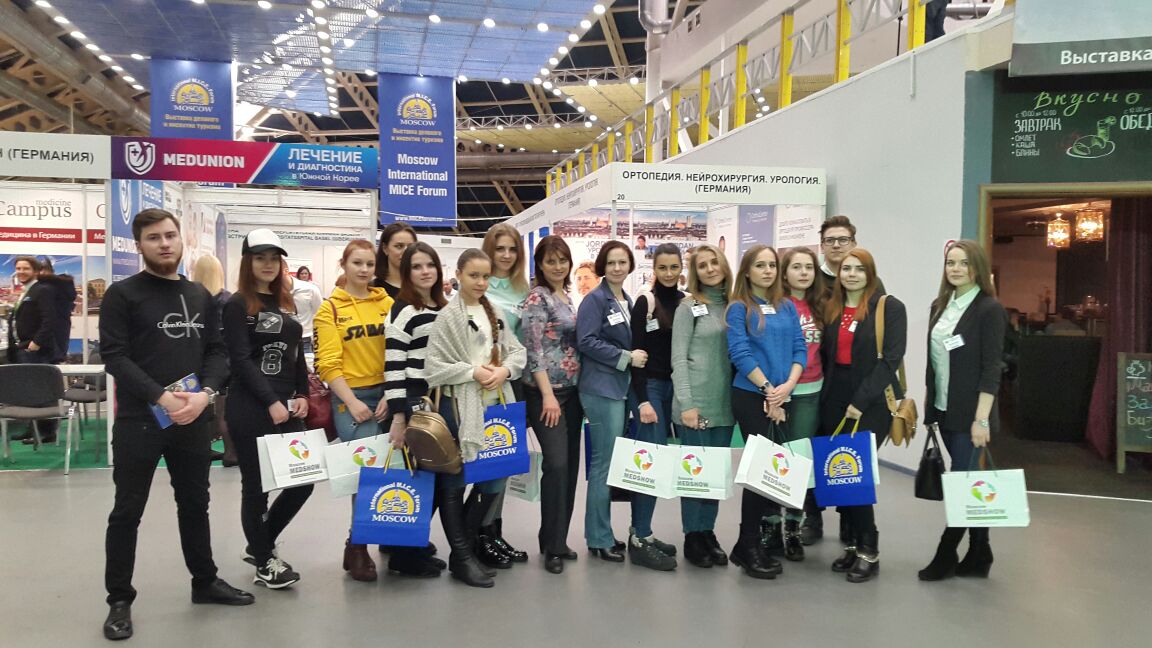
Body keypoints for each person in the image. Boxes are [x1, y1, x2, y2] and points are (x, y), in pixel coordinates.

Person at [99, 209, 253, 642]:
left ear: (181, 240)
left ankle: (204, 581)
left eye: (170, 235)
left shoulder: (199, 295)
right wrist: (161, 397)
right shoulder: (122, 295)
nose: (164, 243)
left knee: (195, 504)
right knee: (127, 511)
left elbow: (217, 351)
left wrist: (206, 394)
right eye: (154, 237)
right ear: (139, 245)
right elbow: (115, 356)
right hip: (139, 421)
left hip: (192, 419)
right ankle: (119, 600)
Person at [425, 249, 527, 588]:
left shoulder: (493, 310)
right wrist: (472, 371)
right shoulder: (447, 317)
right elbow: (434, 368)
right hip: (459, 407)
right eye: (473, 276)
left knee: (494, 478)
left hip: (496, 407)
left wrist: (505, 370)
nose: (481, 282)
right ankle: (462, 555)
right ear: (458, 275)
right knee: (455, 482)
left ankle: (464, 552)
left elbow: (517, 351)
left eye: (485, 276)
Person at [221, 229, 312, 590]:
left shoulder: (284, 302)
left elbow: (296, 354)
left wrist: (302, 393)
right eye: (260, 257)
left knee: (302, 481)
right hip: (251, 405)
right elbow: (240, 360)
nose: (268, 264)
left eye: (274, 258)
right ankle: (264, 562)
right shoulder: (236, 304)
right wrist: (270, 401)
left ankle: (259, 544)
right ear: (248, 262)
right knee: (256, 487)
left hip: (288, 406)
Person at [919, 240, 1006, 581]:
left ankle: (946, 553)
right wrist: (931, 407)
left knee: (962, 485)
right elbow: (935, 362)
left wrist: (981, 419)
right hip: (945, 409)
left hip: (973, 415)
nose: (955, 269)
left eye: (964, 263)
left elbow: (992, 368)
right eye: (950, 263)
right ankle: (980, 552)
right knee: (969, 483)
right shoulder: (940, 305)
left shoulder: (989, 309)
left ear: (977, 268)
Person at [819, 247, 906, 584]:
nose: (851, 274)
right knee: (841, 475)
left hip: (871, 402)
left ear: (870, 273)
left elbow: (890, 360)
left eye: (859, 269)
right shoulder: (832, 307)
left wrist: (859, 401)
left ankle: (870, 551)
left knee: (856, 477)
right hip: (834, 398)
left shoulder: (889, 307)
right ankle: (853, 546)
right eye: (846, 269)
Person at [313, 239, 393, 582]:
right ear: (344, 265)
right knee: (367, 471)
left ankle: (393, 537)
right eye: (357, 263)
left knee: (392, 468)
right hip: (351, 398)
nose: (363, 269)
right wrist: (353, 401)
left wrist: (393, 394)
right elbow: (327, 364)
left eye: (369, 264)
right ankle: (357, 544)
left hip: (388, 394)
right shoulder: (329, 310)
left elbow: (399, 351)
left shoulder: (387, 303)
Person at [725, 244, 807, 580]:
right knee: (760, 472)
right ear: (747, 271)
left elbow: (800, 348)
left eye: (772, 265)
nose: (768, 271)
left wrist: (787, 387)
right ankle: (747, 544)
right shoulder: (738, 308)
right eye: (760, 265)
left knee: (771, 472)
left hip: (783, 395)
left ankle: (751, 543)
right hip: (751, 396)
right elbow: (740, 353)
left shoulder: (786, 306)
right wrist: (769, 391)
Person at [381, 242, 450, 579]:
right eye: (417, 266)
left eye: (430, 265)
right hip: (415, 402)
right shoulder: (403, 310)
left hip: (441, 401)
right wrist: (399, 417)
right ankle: (403, 555)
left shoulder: (445, 306)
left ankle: (412, 545)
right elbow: (393, 366)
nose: (425, 272)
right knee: (418, 479)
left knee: (435, 478)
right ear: (407, 273)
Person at [577, 241, 646, 563]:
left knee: (609, 463)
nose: (617, 268)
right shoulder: (595, 300)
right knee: (603, 464)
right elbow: (586, 341)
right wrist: (625, 357)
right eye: (611, 262)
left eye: (623, 262)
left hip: (618, 388)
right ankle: (598, 538)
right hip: (601, 388)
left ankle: (602, 532)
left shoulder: (626, 300)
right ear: (602, 266)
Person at [521, 235, 583, 574]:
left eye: (562, 260)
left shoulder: (566, 297)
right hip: (547, 395)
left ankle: (556, 540)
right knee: (557, 465)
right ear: (540, 265)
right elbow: (533, 350)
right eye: (551, 261)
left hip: (573, 394)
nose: (558, 266)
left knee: (570, 468)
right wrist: (547, 394)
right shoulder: (537, 298)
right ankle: (551, 545)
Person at [671, 243, 735, 569]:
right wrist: (687, 403)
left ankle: (707, 532)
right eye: (702, 265)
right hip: (695, 405)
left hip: (725, 405)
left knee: (715, 474)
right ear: (695, 272)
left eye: (714, 262)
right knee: (695, 473)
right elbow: (679, 358)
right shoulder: (689, 307)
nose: (710, 269)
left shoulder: (735, 306)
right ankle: (692, 536)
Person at [625, 243, 685, 571]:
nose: (668, 273)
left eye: (674, 267)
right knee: (651, 462)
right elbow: (636, 356)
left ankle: (645, 533)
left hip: (677, 388)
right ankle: (639, 537)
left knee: (668, 462)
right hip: (650, 389)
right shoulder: (645, 303)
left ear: (681, 267)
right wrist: (643, 400)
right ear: (654, 269)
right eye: (663, 267)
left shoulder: (688, 302)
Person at [479, 223, 531, 564]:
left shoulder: (524, 289)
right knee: (488, 463)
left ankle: (493, 533)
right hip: (486, 384)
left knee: (504, 461)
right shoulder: (479, 286)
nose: (507, 255)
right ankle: (479, 535)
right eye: (500, 248)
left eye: (512, 249)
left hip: (515, 382)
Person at [780, 247, 827, 554]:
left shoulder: (822, 306)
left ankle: (793, 527)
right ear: (785, 274)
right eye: (796, 267)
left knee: (800, 463)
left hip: (811, 391)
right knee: (778, 461)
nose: (804, 272)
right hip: (779, 393)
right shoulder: (777, 306)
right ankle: (770, 524)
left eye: (808, 267)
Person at [7, 256, 60, 443]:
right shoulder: (26, 291)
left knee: (43, 391)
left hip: (37, 350)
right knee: (30, 391)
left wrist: (37, 342)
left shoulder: (42, 290)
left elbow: (50, 319)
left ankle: (47, 432)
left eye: (25, 268)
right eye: (18, 269)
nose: (21, 272)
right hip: (22, 348)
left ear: (35, 271)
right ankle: (33, 429)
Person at [191, 255, 237, 467]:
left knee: (201, 409)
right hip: (224, 361)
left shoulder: (191, 299)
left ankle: (203, 449)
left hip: (197, 361)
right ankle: (231, 453)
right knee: (224, 411)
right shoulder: (227, 300)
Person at [819, 215, 886, 295]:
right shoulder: (812, 280)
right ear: (822, 247)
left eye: (843, 240)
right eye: (829, 240)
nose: (836, 245)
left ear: (853, 245)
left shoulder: (870, 281)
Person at [37, 257, 76, 363]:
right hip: (60, 334)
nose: (41, 273)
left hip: (48, 340)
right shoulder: (63, 286)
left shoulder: (46, 287)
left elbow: (48, 317)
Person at [284, 261, 323, 355]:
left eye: (306, 273)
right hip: (280, 340)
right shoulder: (270, 291)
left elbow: (320, 313)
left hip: (304, 338)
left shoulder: (311, 288)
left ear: (285, 271)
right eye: (302, 273)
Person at [374, 222, 417, 298]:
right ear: (385, 248)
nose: (406, 251)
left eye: (410, 246)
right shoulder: (373, 289)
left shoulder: (423, 287)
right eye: (399, 246)